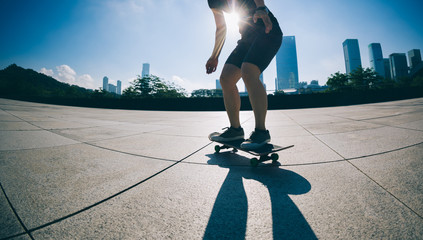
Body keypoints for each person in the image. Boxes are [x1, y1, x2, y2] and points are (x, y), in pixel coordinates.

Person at [206, 0, 282, 149]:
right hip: (246, 39)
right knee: (226, 78)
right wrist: (214, 55)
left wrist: (261, 8)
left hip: (267, 29)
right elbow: (221, 27)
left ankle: (261, 132)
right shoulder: (212, 1)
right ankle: (235, 130)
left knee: (248, 70)